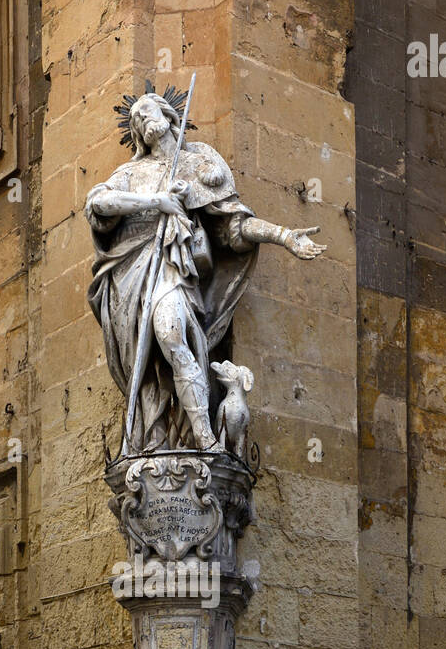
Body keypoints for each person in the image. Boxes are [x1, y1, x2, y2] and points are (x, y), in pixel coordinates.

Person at [86, 89, 325, 453]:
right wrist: (158, 201)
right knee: (148, 367)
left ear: (168, 116)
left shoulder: (197, 166)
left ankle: (205, 439)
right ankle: (154, 440)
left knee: (170, 336)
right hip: (129, 280)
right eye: (135, 119)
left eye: (148, 112)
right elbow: (98, 203)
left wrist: (284, 236)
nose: (142, 120)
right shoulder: (129, 173)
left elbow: (234, 227)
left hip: (172, 272)